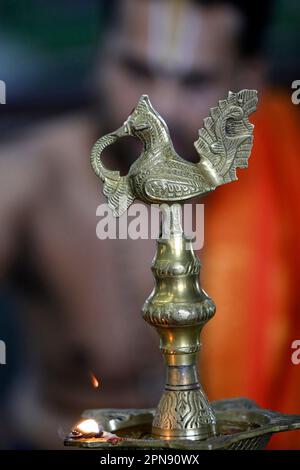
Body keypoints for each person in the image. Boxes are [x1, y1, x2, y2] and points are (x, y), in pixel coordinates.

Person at [0, 0, 299, 449]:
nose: (163, 105)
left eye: (195, 80)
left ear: (247, 81)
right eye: (137, 70)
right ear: (98, 57)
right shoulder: (30, 183)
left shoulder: (285, 181)